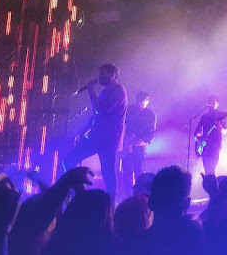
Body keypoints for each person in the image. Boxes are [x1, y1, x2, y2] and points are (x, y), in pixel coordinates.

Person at [63, 63, 127, 199]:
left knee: (108, 172)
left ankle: (108, 204)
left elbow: (101, 111)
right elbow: (96, 115)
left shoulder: (117, 91)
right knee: (69, 160)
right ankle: (79, 194)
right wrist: (85, 131)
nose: (99, 77)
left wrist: (91, 90)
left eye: (103, 74)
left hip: (108, 139)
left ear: (113, 75)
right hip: (99, 137)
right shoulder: (108, 90)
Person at [122, 91, 157, 189]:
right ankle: (128, 194)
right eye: (138, 101)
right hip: (128, 145)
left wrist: (144, 141)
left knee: (139, 173)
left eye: (142, 102)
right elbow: (122, 123)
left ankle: (140, 195)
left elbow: (151, 133)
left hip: (140, 147)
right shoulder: (130, 109)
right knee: (127, 172)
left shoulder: (150, 114)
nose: (139, 104)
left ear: (147, 101)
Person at [194, 95, 227, 175]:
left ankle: (211, 184)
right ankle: (209, 183)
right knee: (207, 169)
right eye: (210, 102)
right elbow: (196, 133)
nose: (211, 103)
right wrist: (199, 141)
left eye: (214, 102)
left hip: (215, 144)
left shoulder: (221, 115)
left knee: (212, 168)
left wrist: (221, 129)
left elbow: (225, 131)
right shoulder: (204, 117)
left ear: (218, 104)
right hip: (205, 145)